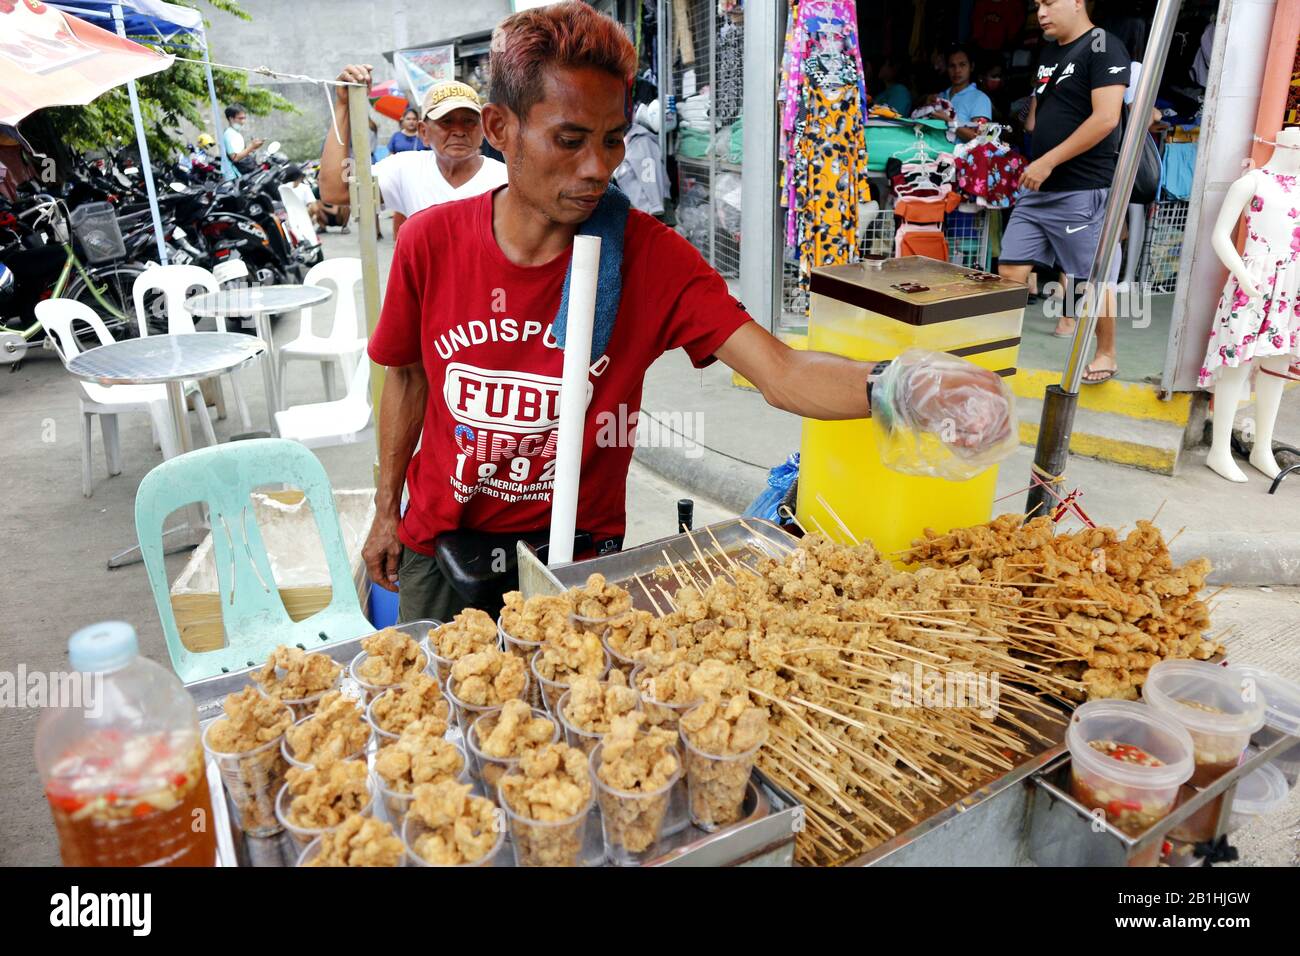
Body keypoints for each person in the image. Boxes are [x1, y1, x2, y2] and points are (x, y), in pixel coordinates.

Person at [360, 1, 1013, 622]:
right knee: (435, 716)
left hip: (579, 556)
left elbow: (780, 369)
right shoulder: (431, 243)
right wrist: (387, 510)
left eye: (614, 139)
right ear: (501, 129)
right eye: (570, 139)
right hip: (441, 540)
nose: (598, 168)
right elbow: (408, 378)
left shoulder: (648, 257)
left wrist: (896, 386)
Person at [997, 0, 1129, 383]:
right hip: (1038, 188)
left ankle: (1106, 353)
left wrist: (1049, 159)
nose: (1041, 12)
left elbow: (1106, 118)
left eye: (1050, 2)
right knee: (1010, 267)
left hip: (1079, 187)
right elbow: (1040, 111)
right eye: (1037, 4)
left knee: (1090, 278)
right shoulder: (1049, 51)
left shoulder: (1103, 45)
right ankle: (999, 352)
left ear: (1077, 2)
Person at [320, 78, 508, 241]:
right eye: (446, 121)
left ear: (483, 131)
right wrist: (343, 105)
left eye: (469, 121)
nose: (459, 131)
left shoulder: (504, 180)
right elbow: (335, 192)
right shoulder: (406, 169)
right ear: (423, 132)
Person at [933, 45, 994, 142]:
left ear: (972, 66)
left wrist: (948, 121)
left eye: (962, 64)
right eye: (952, 66)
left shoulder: (980, 99)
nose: (957, 70)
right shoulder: (941, 96)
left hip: (959, 156)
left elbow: (980, 137)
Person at [221, 104, 263, 180]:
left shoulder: (235, 132)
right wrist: (251, 147)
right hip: (236, 175)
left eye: (244, 118)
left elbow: (242, 152)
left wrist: (253, 147)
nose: (243, 121)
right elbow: (235, 158)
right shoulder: (229, 134)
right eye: (240, 118)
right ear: (231, 118)